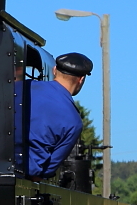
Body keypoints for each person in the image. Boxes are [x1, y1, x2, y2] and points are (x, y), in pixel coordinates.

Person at [15, 52, 92, 180]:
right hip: (25, 179)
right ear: (81, 79)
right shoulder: (74, 121)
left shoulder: (20, 87)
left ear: (55, 70)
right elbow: (49, 168)